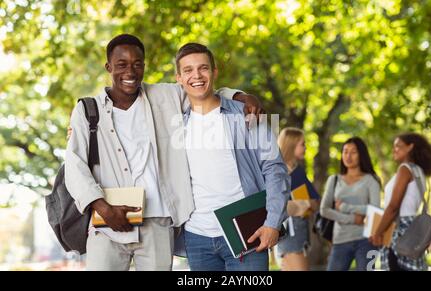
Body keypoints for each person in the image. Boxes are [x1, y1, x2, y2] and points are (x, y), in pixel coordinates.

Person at [65, 34, 263, 270]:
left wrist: (240, 96)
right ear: (109, 67)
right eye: (121, 65)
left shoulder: (165, 96)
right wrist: (103, 208)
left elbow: (203, 90)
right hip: (106, 223)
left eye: (137, 64)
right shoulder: (88, 110)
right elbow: (74, 164)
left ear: (144, 66)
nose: (130, 72)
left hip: (157, 222)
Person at [175, 43, 290, 271]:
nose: (196, 75)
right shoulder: (176, 123)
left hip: (246, 233)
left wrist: (273, 223)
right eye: (188, 70)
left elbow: (275, 170)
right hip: (197, 237)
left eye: (203, 68)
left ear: (214, 72)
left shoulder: (246, 114)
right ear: (178, 78)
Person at [370, 133, 431, 271]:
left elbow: (393, 207)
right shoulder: (419, 171)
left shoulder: (404, 169)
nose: (394, 149)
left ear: (410, 147)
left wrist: (377, 232)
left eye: (398, 146)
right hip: (413, 229)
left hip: (399, 229)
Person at [320, 137, 380, 271]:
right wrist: (352, 218)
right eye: (345, 152)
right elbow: (324, 210)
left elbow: (375, 210)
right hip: (340, 240)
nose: (348, 156)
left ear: (361, 154)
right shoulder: (334, 180)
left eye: (353, 152)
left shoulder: (371, 180)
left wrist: (344, 207)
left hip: (367, 241)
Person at [276, 127, 320, 271]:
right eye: (302, 144)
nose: (306, 147)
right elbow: (276, 206)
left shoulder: (298, 171)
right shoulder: (278, 172)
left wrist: (305, 205)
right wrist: (305, 205)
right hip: (289, 237)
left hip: (301, 234)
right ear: (291, 144)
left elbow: (315, 202)